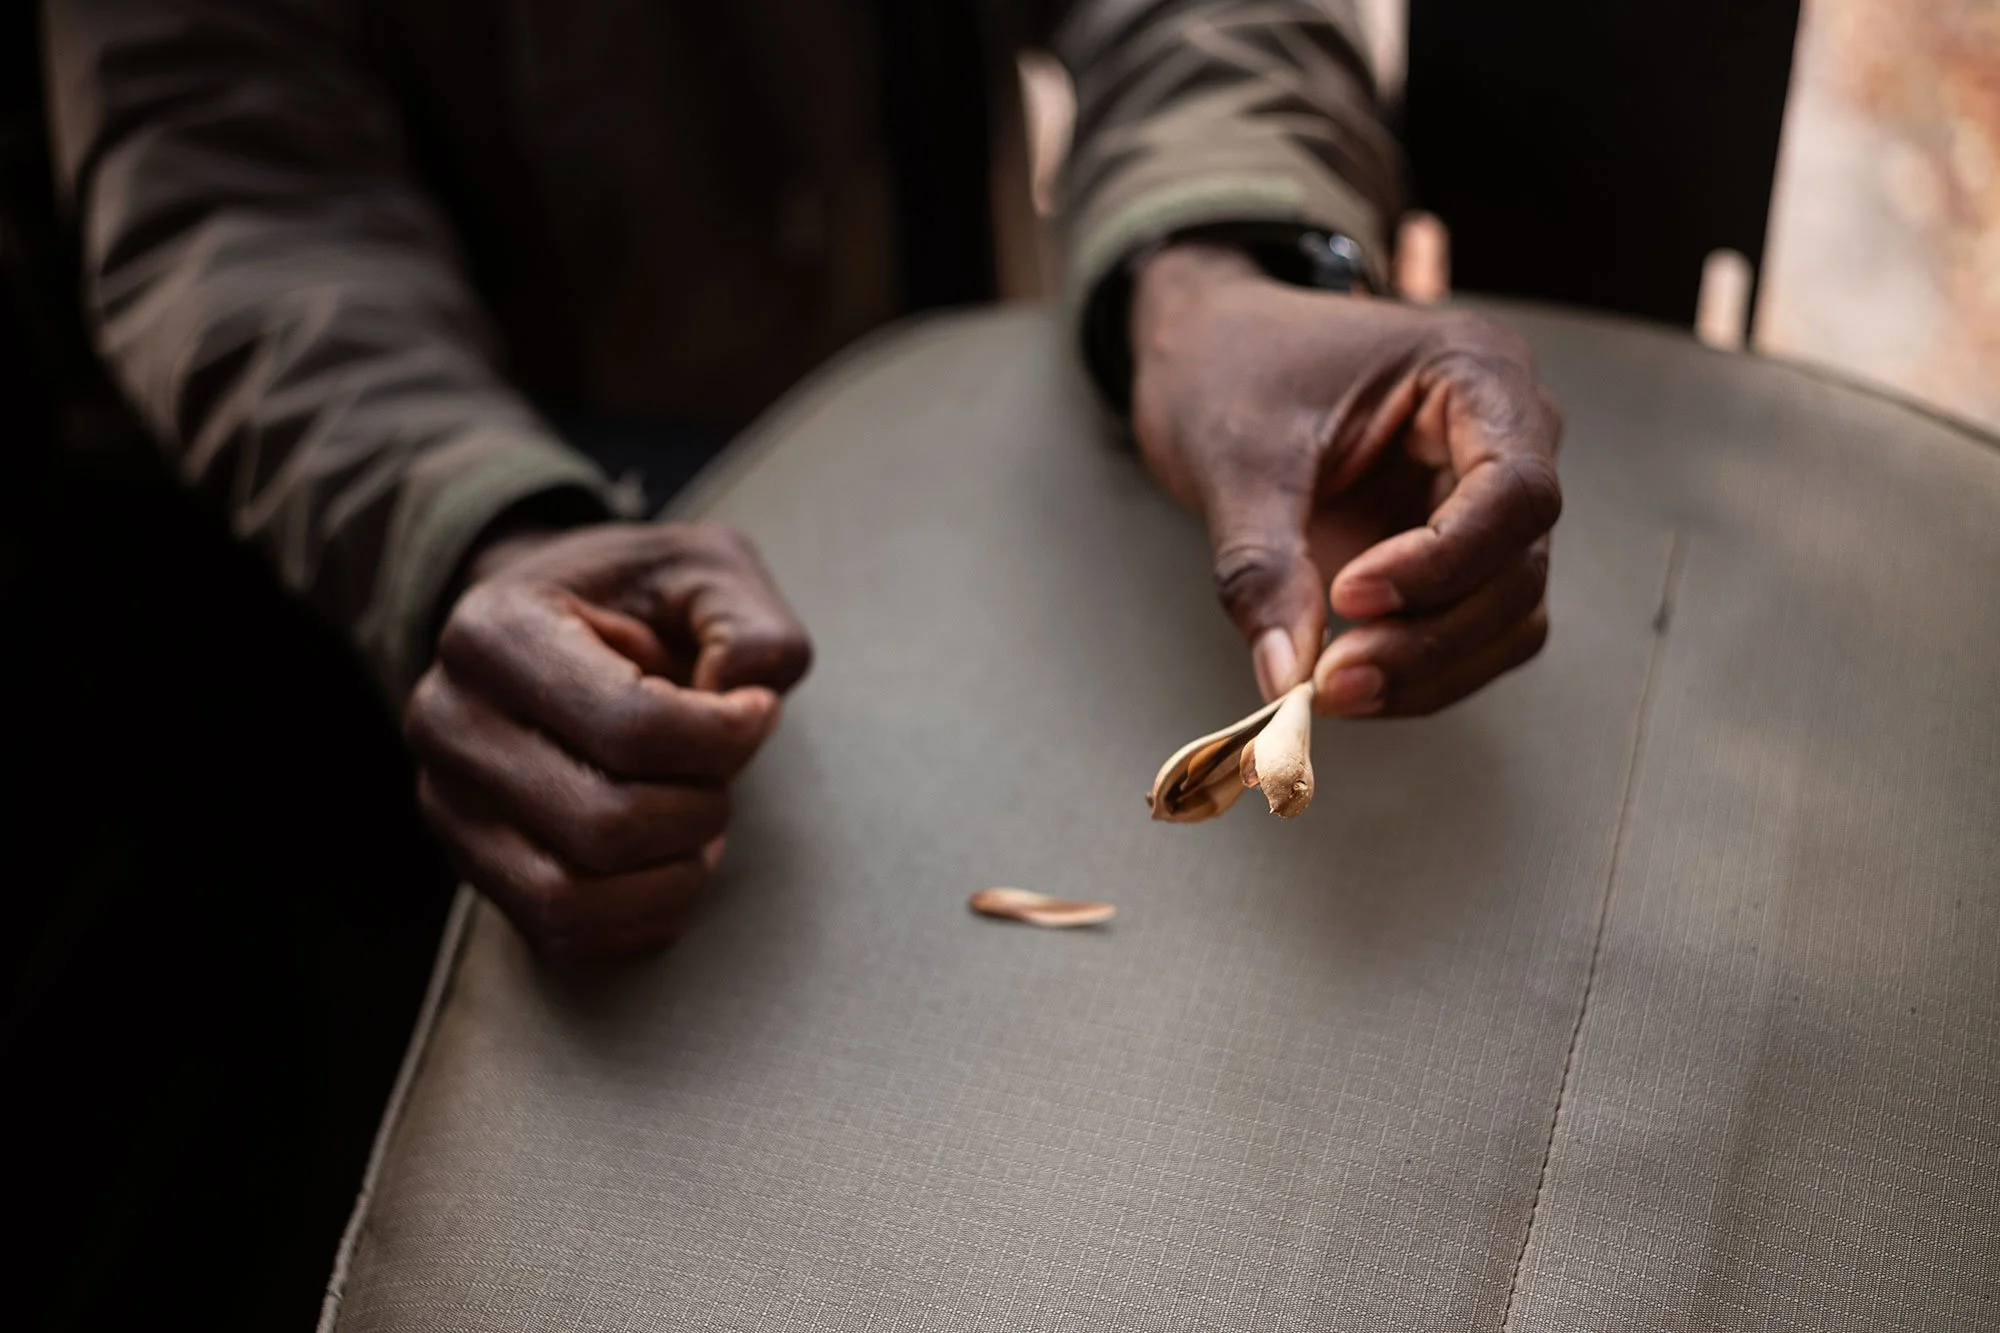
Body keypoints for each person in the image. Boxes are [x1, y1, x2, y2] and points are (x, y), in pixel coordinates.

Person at [44, 0, 1562, 961]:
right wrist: (468, 527)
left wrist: (1212, 265)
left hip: (965, 436)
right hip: (466, 524)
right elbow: (234, 187)